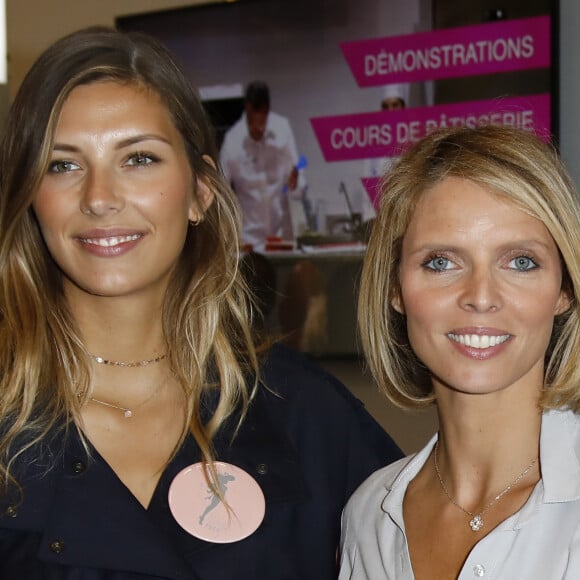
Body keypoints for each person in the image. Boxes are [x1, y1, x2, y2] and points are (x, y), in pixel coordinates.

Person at [0, 27, 403, 579]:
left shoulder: (304, 412)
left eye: (139, 158)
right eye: (62, 164)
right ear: (29, 197)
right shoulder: (8, 409)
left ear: (200, 192)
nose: (98, 198)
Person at [339, 125, 580, 579]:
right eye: (442, 262)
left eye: (521, 261)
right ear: (395, 287)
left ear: (564, 290)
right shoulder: (369, 516)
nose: (481, 296)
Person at [220, 81, 305, 247]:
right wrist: (229, 235)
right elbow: (222, 191)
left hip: (282, 235)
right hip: (249, 237)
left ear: (268, 111)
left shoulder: (282, 129)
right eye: (253, 122)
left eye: (263, 120)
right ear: (247, 109)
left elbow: (298, 178)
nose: (258, 128)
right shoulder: (232, 141)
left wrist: (295, 184)